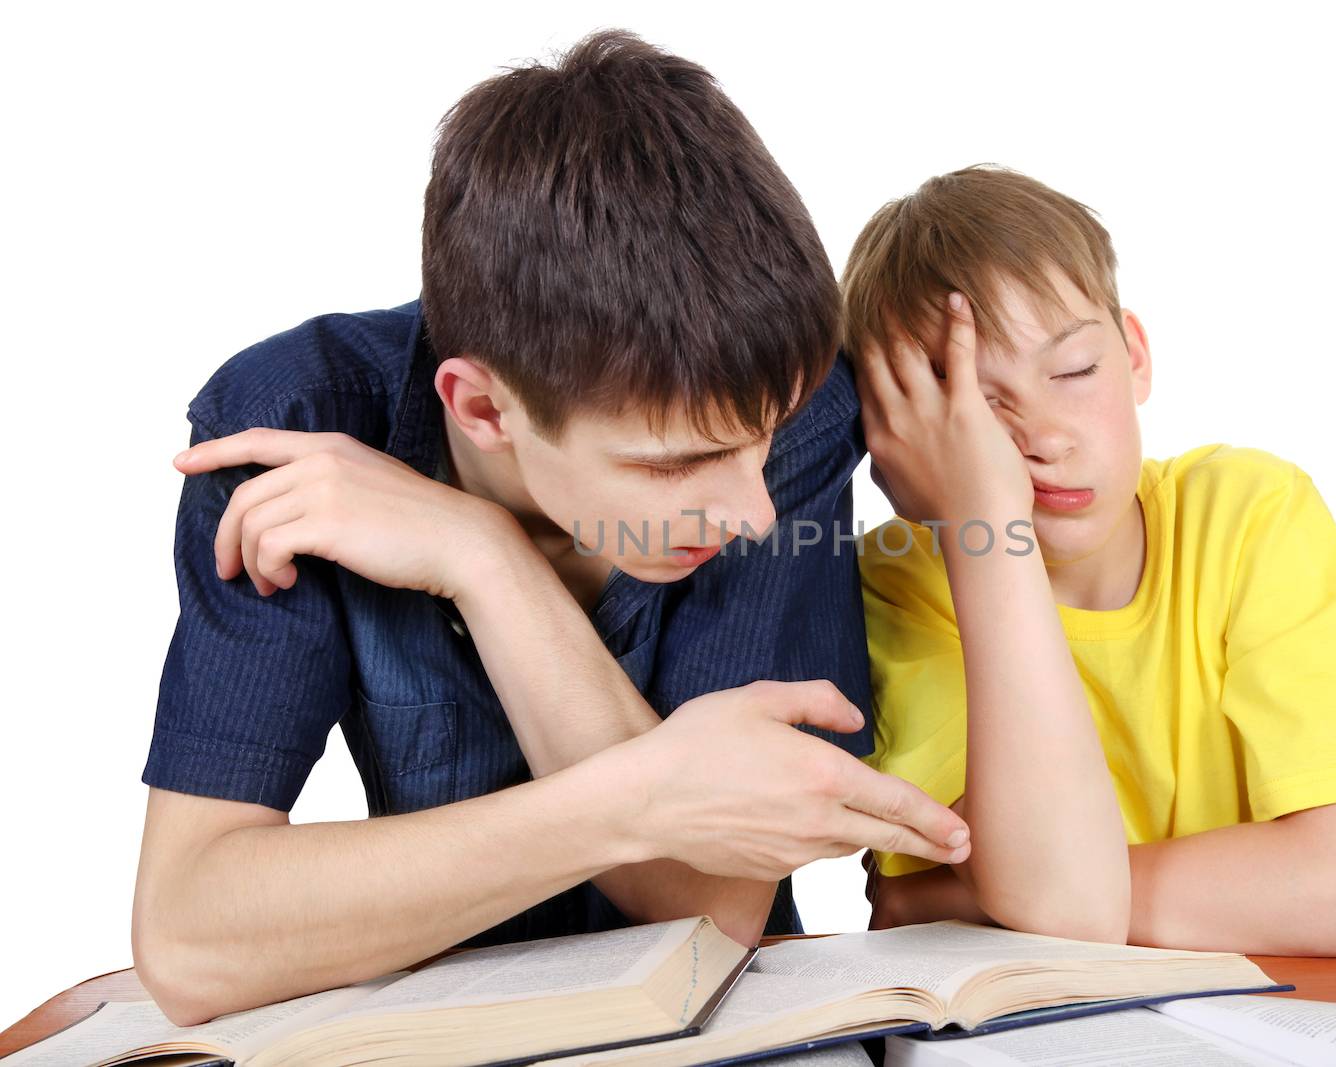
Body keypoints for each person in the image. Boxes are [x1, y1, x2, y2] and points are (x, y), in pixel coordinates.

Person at [133, 30, 970, 1027]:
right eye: (673, 464)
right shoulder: (295, 426)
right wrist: (639, 795)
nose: (752, 511)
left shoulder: (796, 405)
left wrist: (484, 561)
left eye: (761, 442)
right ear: (482, 408)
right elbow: (190, 938)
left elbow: (708, 902)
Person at [841, 164, 1336, 956]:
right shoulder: (894, 584)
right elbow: (1063, 895)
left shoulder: (1251, 514)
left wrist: (941, 896)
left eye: (1075, 372)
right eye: (980, 410)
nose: (1047, 437)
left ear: (1135, 355)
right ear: (899, 439)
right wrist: (982, 525)